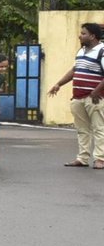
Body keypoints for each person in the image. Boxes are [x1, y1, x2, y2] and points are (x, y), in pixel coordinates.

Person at [49, 22, 104, 168]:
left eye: (83, 33)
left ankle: (100, 159)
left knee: (99, 128)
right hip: (78, 97)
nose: (80, 35)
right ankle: (82, 158)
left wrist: (95, 91)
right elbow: (75, 70)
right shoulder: (81, 51)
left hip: (94, 98)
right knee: (82, 129)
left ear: (92, 36)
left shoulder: (102, 51)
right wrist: (58, 84)